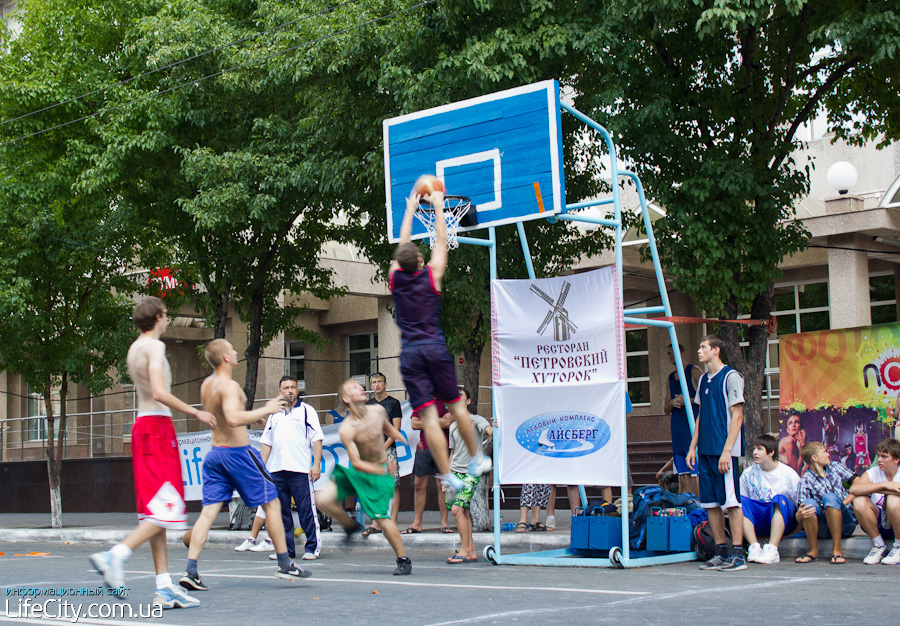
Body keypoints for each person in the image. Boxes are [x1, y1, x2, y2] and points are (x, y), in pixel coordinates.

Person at [89, 297, 217, 609]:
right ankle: (115, 555)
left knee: (154, 511)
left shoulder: (134, 349)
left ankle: (164, 585)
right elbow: (160, 392)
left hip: (142, 428)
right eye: (166, 315)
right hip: (158, 428)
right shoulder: (155, 347)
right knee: (168, 508)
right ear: (160, 316)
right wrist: (195, 413)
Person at [180, 339, 310, 590]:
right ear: (226, 358)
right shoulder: (228, 385)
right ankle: (285, 564)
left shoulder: (207, 384)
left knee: (208, 511)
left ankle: (191, 570)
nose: (236, 351)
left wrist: (253, 418)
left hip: (215, 453)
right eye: (232, 349)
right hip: (237, 454)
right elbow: (231, 418)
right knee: (272, 501)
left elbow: (224, 416)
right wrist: (267, 409)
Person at [389, 188, 491, 498]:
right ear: (420, 262)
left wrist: (409, 210)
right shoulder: (431, 276)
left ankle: (446, 475)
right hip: (434, 348)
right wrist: (437, 210)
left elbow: (402, 243)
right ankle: (476, 459)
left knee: (428, 418)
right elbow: (442, 242)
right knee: (457, 406)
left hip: (410, 355)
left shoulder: (394, 277)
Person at [314, 379, 412, 575]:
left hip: (379, 471)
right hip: (361, 470)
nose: (360, 388)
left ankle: (403, 559)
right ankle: (351, 525)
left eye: (360, 386)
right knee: (322, 499)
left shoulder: (377, 411)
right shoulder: (346, 429)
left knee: (382, 520)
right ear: (346, 398)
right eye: (353, 387)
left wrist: (398, 436)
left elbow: (385, 427)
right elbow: (357, 463)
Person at [686, 334, 747, 572]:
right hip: (706, 451)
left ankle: (738, 555)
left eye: (703, 347)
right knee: (710, 503)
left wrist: (727, 451)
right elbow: (701, 416)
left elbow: (738, 416)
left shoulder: (731, 377)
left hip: (725, 451)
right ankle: (720, 551)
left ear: (716, 351)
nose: (699, 351)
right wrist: (692, 447)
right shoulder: (703, 381)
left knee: (731, 502)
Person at [260, 375, 324, 561]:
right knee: (281, 513)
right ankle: (287, 550)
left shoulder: (307, 411)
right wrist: (261, 469)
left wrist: (316, 464)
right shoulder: (274, 414)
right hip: (277, 471)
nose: (290, 390)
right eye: (286, 387)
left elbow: (317, 439)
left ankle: (312, 548)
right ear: (280, 391)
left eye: (293, 387)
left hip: (300, 470)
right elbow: (266, 443)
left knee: (306, 510)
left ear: (298, 390)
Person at [446, 387, 492, 562]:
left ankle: (464, 551)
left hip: (471, 472)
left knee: (457, 510)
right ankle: (471, 550)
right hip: (455, 472)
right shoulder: (453, 425)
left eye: (461, 395)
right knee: (462, 511)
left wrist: (492, 427)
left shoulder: (476, 420)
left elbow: (488, 430)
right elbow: (453, 452)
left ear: (468, 401)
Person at [739, 434, 801, 564]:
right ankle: (754, 547)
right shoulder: (748, 474)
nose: (755, 453)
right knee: (741, 501)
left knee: (779, 499)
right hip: (759, 520)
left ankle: (772, 549)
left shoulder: (788, 473)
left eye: (760, 449)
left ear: (771, 452)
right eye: (754, 449)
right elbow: (745, 505)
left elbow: (799, 505)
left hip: (783, 520)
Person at [795, 441, 857, 564]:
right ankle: (813, 550)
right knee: (808, 503)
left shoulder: (835, 466)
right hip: (822, 528)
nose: (828, 455)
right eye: (824, 452)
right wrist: (799, 515)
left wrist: (843, 503)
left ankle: (837, 549)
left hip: (845, 524)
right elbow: (801, 512)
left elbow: (859, 482)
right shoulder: (805, 480)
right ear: (815, 458)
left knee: (830, 498)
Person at [402, 400, 454, 534]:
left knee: (441, 485)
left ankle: (444, 523)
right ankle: (417, 523)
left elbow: (448, 423)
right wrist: (438, 421)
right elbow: (414, 424)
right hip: (423, 448)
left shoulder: (447, 399)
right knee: (418, 484)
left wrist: (426, 422)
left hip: (443, 447)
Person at [362, 372, 403, 535]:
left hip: (389, 449)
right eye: (374, 382)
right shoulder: (368, 405)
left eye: (380, 381)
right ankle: (376, 523)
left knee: (392, 486)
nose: (377, 384)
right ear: (371, 386)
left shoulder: (394, 403)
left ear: (385, 384)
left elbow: (396, 430)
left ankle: (392, 522)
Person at [849, 438, 900, 565]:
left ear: (896, 460)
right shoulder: (873, 472)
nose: (879, 460)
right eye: (878, 455)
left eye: (884, 457)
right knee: (859, 501)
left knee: (893, 500)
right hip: (879, 524)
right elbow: (854, 489)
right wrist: (886, 486)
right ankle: (879, 546)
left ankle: (899, 546)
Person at [662, 343, 701, 495]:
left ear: (682, 354)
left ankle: (699, 503)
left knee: (695, 470)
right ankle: (686, 503)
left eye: (674, 353)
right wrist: (672, 403)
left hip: (691, 427)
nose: (671, 356)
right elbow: (665, 408)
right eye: (669, 354)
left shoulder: (694, 371)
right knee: (682, 473)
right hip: (677, 427)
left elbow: (706, 397)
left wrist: (688, 400)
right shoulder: (670, 378)